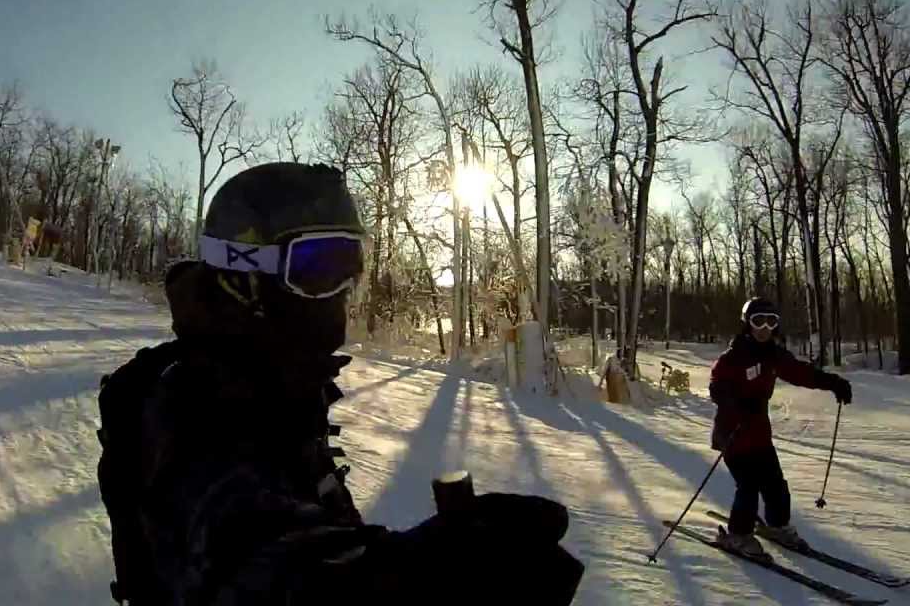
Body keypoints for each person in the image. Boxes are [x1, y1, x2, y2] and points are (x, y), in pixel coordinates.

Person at [96, 162, 582, 605]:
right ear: (241, 275)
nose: (340, 293)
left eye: (349, 266)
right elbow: (252, 555)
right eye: (316, 267)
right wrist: (402, 581)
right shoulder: (192, 411)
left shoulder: (279, 386)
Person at [708, 297, 853, 557]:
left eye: (771, 321)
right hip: (733, 434)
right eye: (758, 321)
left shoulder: (774, 355)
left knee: (775, 485)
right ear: (747, 324)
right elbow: (716, 387)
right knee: (749, 487)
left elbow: (801, 372)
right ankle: (738, 535)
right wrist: (737, 404)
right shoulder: (733, 357)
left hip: (759, 435)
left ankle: (777, 526)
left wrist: (834, 383)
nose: (764, 328)